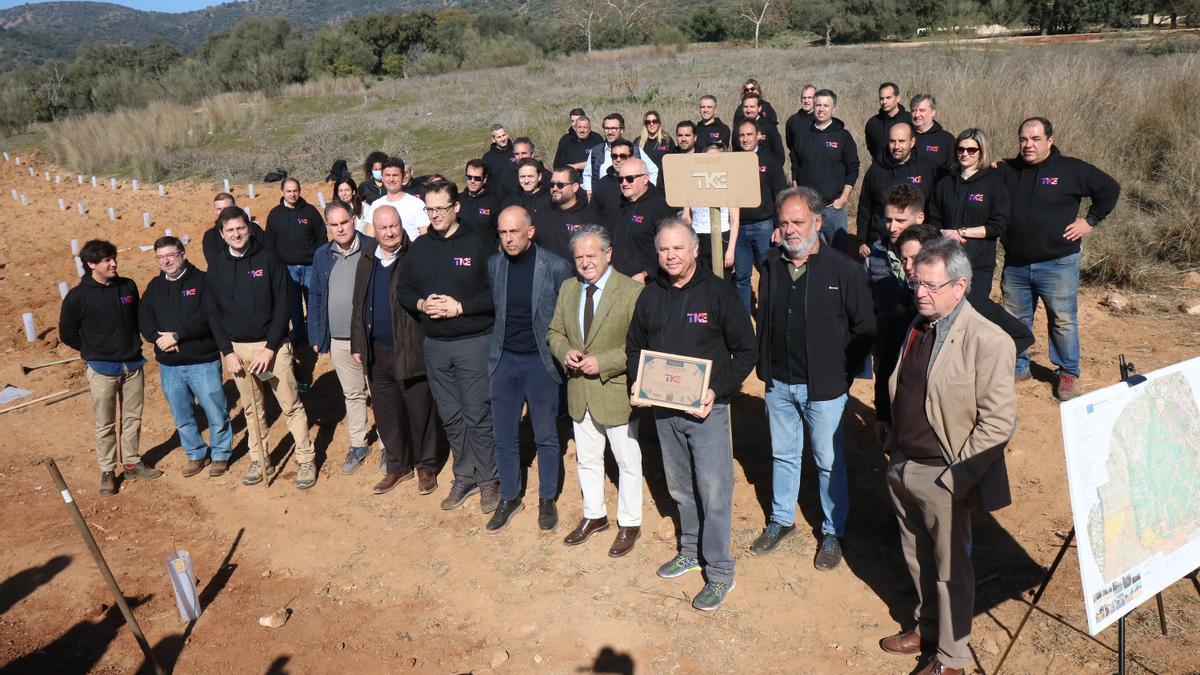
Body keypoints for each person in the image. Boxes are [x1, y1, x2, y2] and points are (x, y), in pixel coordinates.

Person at [878, 237, 1017, 675]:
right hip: (903, 463)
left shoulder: (988, 340)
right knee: (917, 557)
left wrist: (957, 479)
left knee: (951, 572)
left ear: (960, 287)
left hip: (944, 475)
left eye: (931, 285)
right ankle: (927, 628)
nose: (920, 291)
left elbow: (997, 424)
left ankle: (953, 659)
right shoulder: (918, 324)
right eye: (917, 282)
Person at [627, 217, 757, 612]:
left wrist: (717, 389)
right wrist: (639, 382)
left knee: (714, 492)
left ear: (696, 249)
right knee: (681, 487)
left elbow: (746, 351)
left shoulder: (718, 294)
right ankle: (689, 550)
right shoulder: (649, 296)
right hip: (665, 411)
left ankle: (719, 572)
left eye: (678, 248)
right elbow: (635, 347)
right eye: (664, 249)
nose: (670, 256)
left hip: (708, 411)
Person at [750, 187, 875, 570]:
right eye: (783, 222)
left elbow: (864, 329)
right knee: (783, 455)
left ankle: (832, 531)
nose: (789, 229)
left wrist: (841, 374)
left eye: (798, 221)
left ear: (818, 223)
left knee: (827, 461)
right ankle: (782, 520)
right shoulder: (771, 266)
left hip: (824, 388)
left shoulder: (846, 270)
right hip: (780, 384)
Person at [396, 180, 501, 513]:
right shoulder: (421, 246)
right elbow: (404, 289)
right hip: (436, 345)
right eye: (429, 209)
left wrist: (461, 307)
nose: (435, 215)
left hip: (472, 341)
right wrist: (422, 304)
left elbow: (495, 293)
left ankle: (488, 479)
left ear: (456, 207)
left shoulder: (479, 244)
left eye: (440, 208)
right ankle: (464, 474)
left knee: (477, 414)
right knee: (452, 415)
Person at [997, 116, 1120, 400]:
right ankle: (1019, 367)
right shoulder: (1007, 170)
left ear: (1050, 141)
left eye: (1036, 139)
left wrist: (1090, 221)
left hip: (1058, 262)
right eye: (1023, 139)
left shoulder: (1071, 169)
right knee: (1016, 319)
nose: (1028, 145)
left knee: (1062, 320)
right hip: (1015, 263)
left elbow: (1109, 189)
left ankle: (1067, 372)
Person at [547, 225, 646, 556]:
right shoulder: (568, 289)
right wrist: (565, 353)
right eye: (579, 257)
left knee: (626, 460)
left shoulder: (631, 291)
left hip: (614, 389)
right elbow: (555, 332)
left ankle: (629, 522)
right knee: (588, 459)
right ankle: (595, 515)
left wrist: (604, 362)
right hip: (579, 390)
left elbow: (639, 346)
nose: (585, 262)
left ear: (608, 254)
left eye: (591, 255)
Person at [206, 206, 317, 490]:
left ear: (249, 227)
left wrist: (270, 349)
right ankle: (260, 458)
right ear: (222, 233)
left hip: (273, 348)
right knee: (252, 409)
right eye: (229, 230)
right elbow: (213, 313)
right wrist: (227, 352)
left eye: (240, 228)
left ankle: (305, 458)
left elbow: (283, 306)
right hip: (238, 352)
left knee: (290, 405)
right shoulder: (216, 266)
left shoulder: (269, 259)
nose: (236, 234)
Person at [484, 207, 575, 534]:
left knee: (546, 435)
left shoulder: (555, 267)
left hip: (540, 361)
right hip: (504, 361)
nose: (508, 239)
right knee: (504, 436)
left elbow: (569, 313)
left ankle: (547, 498)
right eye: (503, 233)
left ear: (530, 232)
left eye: (514, 232)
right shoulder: (495, 266)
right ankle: (510, 496)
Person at [350, 205, 444, 496]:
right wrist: (358, 344)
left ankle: (426, 467)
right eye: (383, 228)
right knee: (387, 414)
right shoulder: (367, 259)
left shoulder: (414, 257)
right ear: (373, 231)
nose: (390, 233)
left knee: (420, 412)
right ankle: (398, 465)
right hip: (376, 353)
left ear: (401, 226)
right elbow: (358, 305)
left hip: (410, 347)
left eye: (394, 226)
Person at [60, 239, 160, 496]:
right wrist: (93, 351)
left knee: (132, 418)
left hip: (133, 365)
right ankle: (107, 470)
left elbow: (138, 318)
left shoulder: (128, 286)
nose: (113, 263)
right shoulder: (77, 297)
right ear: (91, 264)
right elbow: (68, 333)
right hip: (102, 369)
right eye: (106, 260)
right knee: (105, 423)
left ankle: (131, 463)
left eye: (113, 258)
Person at [139, 235, 232, 478]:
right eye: (160, 257)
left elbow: (208, 317)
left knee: (215, 410)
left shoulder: (202, 281)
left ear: (182, 254)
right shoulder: (155, 287)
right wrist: (156, 338)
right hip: (170, 365)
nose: (165, 261)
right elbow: (144, 317)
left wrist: (178, 335)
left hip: (202, 360)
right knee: (182, 414)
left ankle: (221, 453)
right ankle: (196, 453)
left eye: (170, 255)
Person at [308, 201, 374, 475]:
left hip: (372, 336)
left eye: (344, 222)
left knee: (380, 391)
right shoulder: (323, 254)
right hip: (338, 339)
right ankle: (359, 443)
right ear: (327, 227)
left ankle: (391, 445)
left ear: (354, 220)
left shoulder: (372, 247)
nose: (340, 228)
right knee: (352, 393)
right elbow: (316, 295)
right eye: (334, 225)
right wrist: (315, 332)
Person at [927, 128, 1009, 302]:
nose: (965, 153)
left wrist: (961, 232)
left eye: (971, 150)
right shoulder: (944, 183)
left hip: (979, 264)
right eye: (961, 149)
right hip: (947, 260)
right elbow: (933, 219)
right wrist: (944, 233)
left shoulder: (994, 183)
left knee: (975, 311)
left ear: (981, 152)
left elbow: (998, 226)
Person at [856, 122, 940, 260]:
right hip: (880, 244)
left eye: (901, 141)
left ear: (912, 142)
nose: (896, 147)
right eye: (892, 141)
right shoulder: (876, 170)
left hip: (915, 245)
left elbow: (938, 205)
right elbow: (865, 207)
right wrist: (862, 241)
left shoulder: (927, 168)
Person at [791, 89, 859, 249]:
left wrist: (843, 198)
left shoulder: (843, 136)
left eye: (826, 106)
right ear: (813, 107)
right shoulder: (802, 135)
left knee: (839, 253)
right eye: (818, 105)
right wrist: (797, 193)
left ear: (833, 109)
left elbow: (853, 168)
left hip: (833, 209)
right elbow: (795, 165)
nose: (821, 109)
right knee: (810, 253)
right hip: (809, 209)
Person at [734, 119, 787, 313]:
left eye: (749, 135)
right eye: (742, 135)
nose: (745, 139)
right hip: (738, 228)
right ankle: (744, 322)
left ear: (758, 136)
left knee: (767, 273)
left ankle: (767, 316)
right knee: (741, 277)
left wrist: (779, 226)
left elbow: (780, 194)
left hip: (764, 226)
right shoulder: (734, 160)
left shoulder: (769, 159)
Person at [265, 177, 327, 344]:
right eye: (289, 191)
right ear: (282, 192)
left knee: (313, 302)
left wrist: (320, 260)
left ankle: (316, 336)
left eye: (295, 190)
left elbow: (322, 237)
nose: (292, 194)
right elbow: (269, 243)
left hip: (310, 266)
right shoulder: (275, 214)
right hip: (287, 269)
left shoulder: (310, 211)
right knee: (293, 305)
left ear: (299, 191)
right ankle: (299, 333)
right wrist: (276, 266)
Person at [609, 157, 675, 284]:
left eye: (630, 178)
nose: (624, 183)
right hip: (617, 282)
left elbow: (669, 249)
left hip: (647, 283)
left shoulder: (660, 207)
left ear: (645, 179)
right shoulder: (617, 205)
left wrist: (647, 274)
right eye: (620, 179)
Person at [681, 144, 739, 279]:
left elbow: (735, 220)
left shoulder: (729, 183)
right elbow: (686, 217)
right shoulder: (692, 183)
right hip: (698, 238)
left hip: (722, 236)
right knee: (699, 278)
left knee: (722, 279)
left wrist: (730, 250)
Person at [583, 113, 659, 196]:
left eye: (614, 128)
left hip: (629, 201)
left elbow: (653, 170)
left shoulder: (635, 150)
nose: (610, 132)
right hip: (604, 201)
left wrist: (646, 191)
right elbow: (587, 174)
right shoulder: (596, 151)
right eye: (607, 128)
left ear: (622, 130)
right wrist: (589, 193)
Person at [533, 166, 598, 260]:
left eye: (560, 185)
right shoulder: (540, 215)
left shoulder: (590, 216)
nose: (554, 188)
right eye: (552, 184)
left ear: (575, 187)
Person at [362, 157, 429, 241]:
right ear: (382, 177)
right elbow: (369, 239)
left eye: (395, 175)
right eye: (387, 175)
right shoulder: (376, 205)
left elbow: (426, 237)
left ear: (403, 177)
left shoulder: (417, 204)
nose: (391, 179)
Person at [202, 192, 264, 266]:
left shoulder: (253, 228)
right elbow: (214, 264)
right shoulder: (210, 236)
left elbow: (265, 251)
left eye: (226, 208)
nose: (223, 212)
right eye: (219, 209)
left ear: (235, 206)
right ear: (215, 211)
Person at [864, 82, 913, 161]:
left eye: (888, 97)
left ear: (897, 98)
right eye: (881, 98)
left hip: (906, 169)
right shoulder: (872, 123)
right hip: (880, 170)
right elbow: (871, 149)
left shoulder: (911, 120)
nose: (884, 102)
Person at [498, 137, 551, 204]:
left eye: (524, 153)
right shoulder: (507, 176)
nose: (520, 157)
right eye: (517, 154)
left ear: (532, 154)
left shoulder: (547, 176)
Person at [591, 139, 634, 219]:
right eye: (614, 156)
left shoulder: (641, 182)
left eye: (623, 156)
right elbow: (593, 215)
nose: (618, 160)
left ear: (631, 157)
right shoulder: (601, 185)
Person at [460, 159, 500, 242]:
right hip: (461, 252)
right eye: (469, 177)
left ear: (485, 179)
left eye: (477, 178)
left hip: (486, 252)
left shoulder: (494, 202)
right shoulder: (458, 199)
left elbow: (500, 231)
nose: (472, 181)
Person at [910, 95, 955, 168]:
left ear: (933, 112)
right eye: (914, 111)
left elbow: (954, 168)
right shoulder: (904, 136)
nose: (917, 115)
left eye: (922, 110)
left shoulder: (946, 139)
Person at [741, 92, 785, 163]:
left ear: (759, 108)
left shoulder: (769, 127)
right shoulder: (739, 128)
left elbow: (780, 156)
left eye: (752, 107)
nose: (748, 110)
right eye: (746, 107)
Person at [784, 83, 817, 177]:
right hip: (799, 169)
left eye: (810, 98)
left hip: (819, 167)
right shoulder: (792, 121)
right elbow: (790, 144)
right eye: (804, 98)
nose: (806, 101)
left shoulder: (821, 120)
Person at [635, 110, 674, 175]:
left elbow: (673, 163)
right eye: (648, 122)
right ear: (645, 124)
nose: (651, 124)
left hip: (663, 182)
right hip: (645, 181)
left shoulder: (667, 141)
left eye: (654, 121)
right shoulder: (638, 141)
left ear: (659, 123)